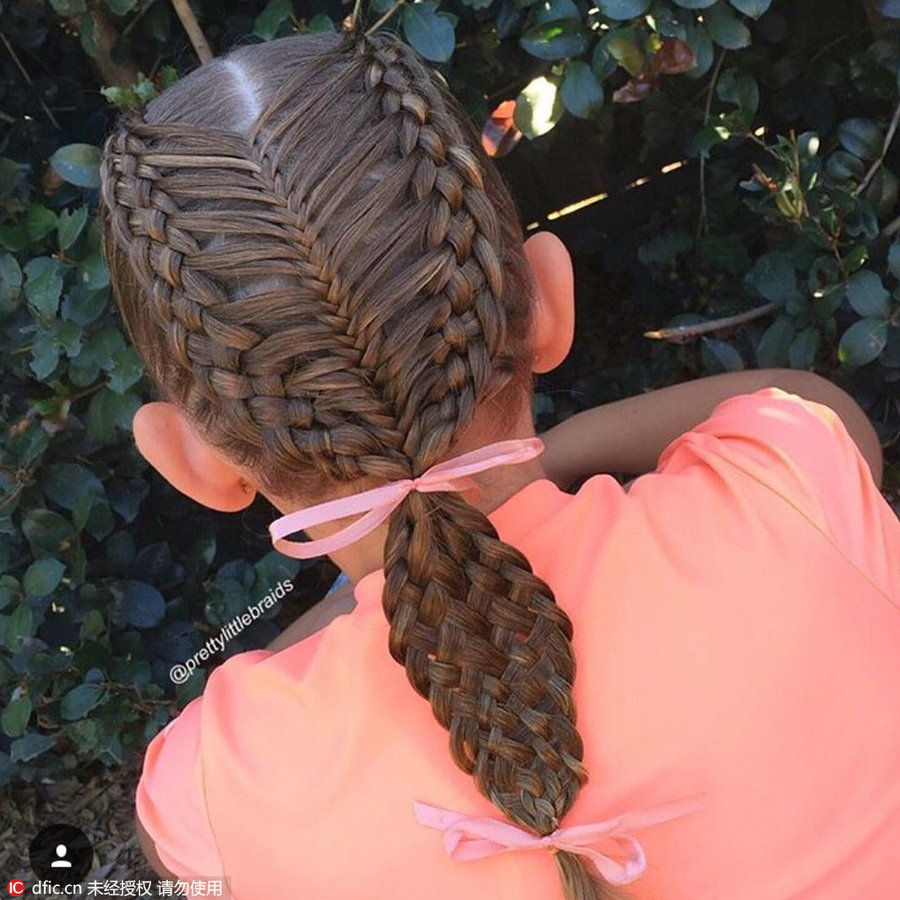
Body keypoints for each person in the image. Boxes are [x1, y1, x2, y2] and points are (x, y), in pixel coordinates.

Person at [97, 28, 900, 900]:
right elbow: (808, 400)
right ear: (548, 304)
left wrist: (359, 593)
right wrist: (544, 464)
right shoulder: (786, 492)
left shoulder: (221, 782)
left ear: (193, 464)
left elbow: (167, 838)